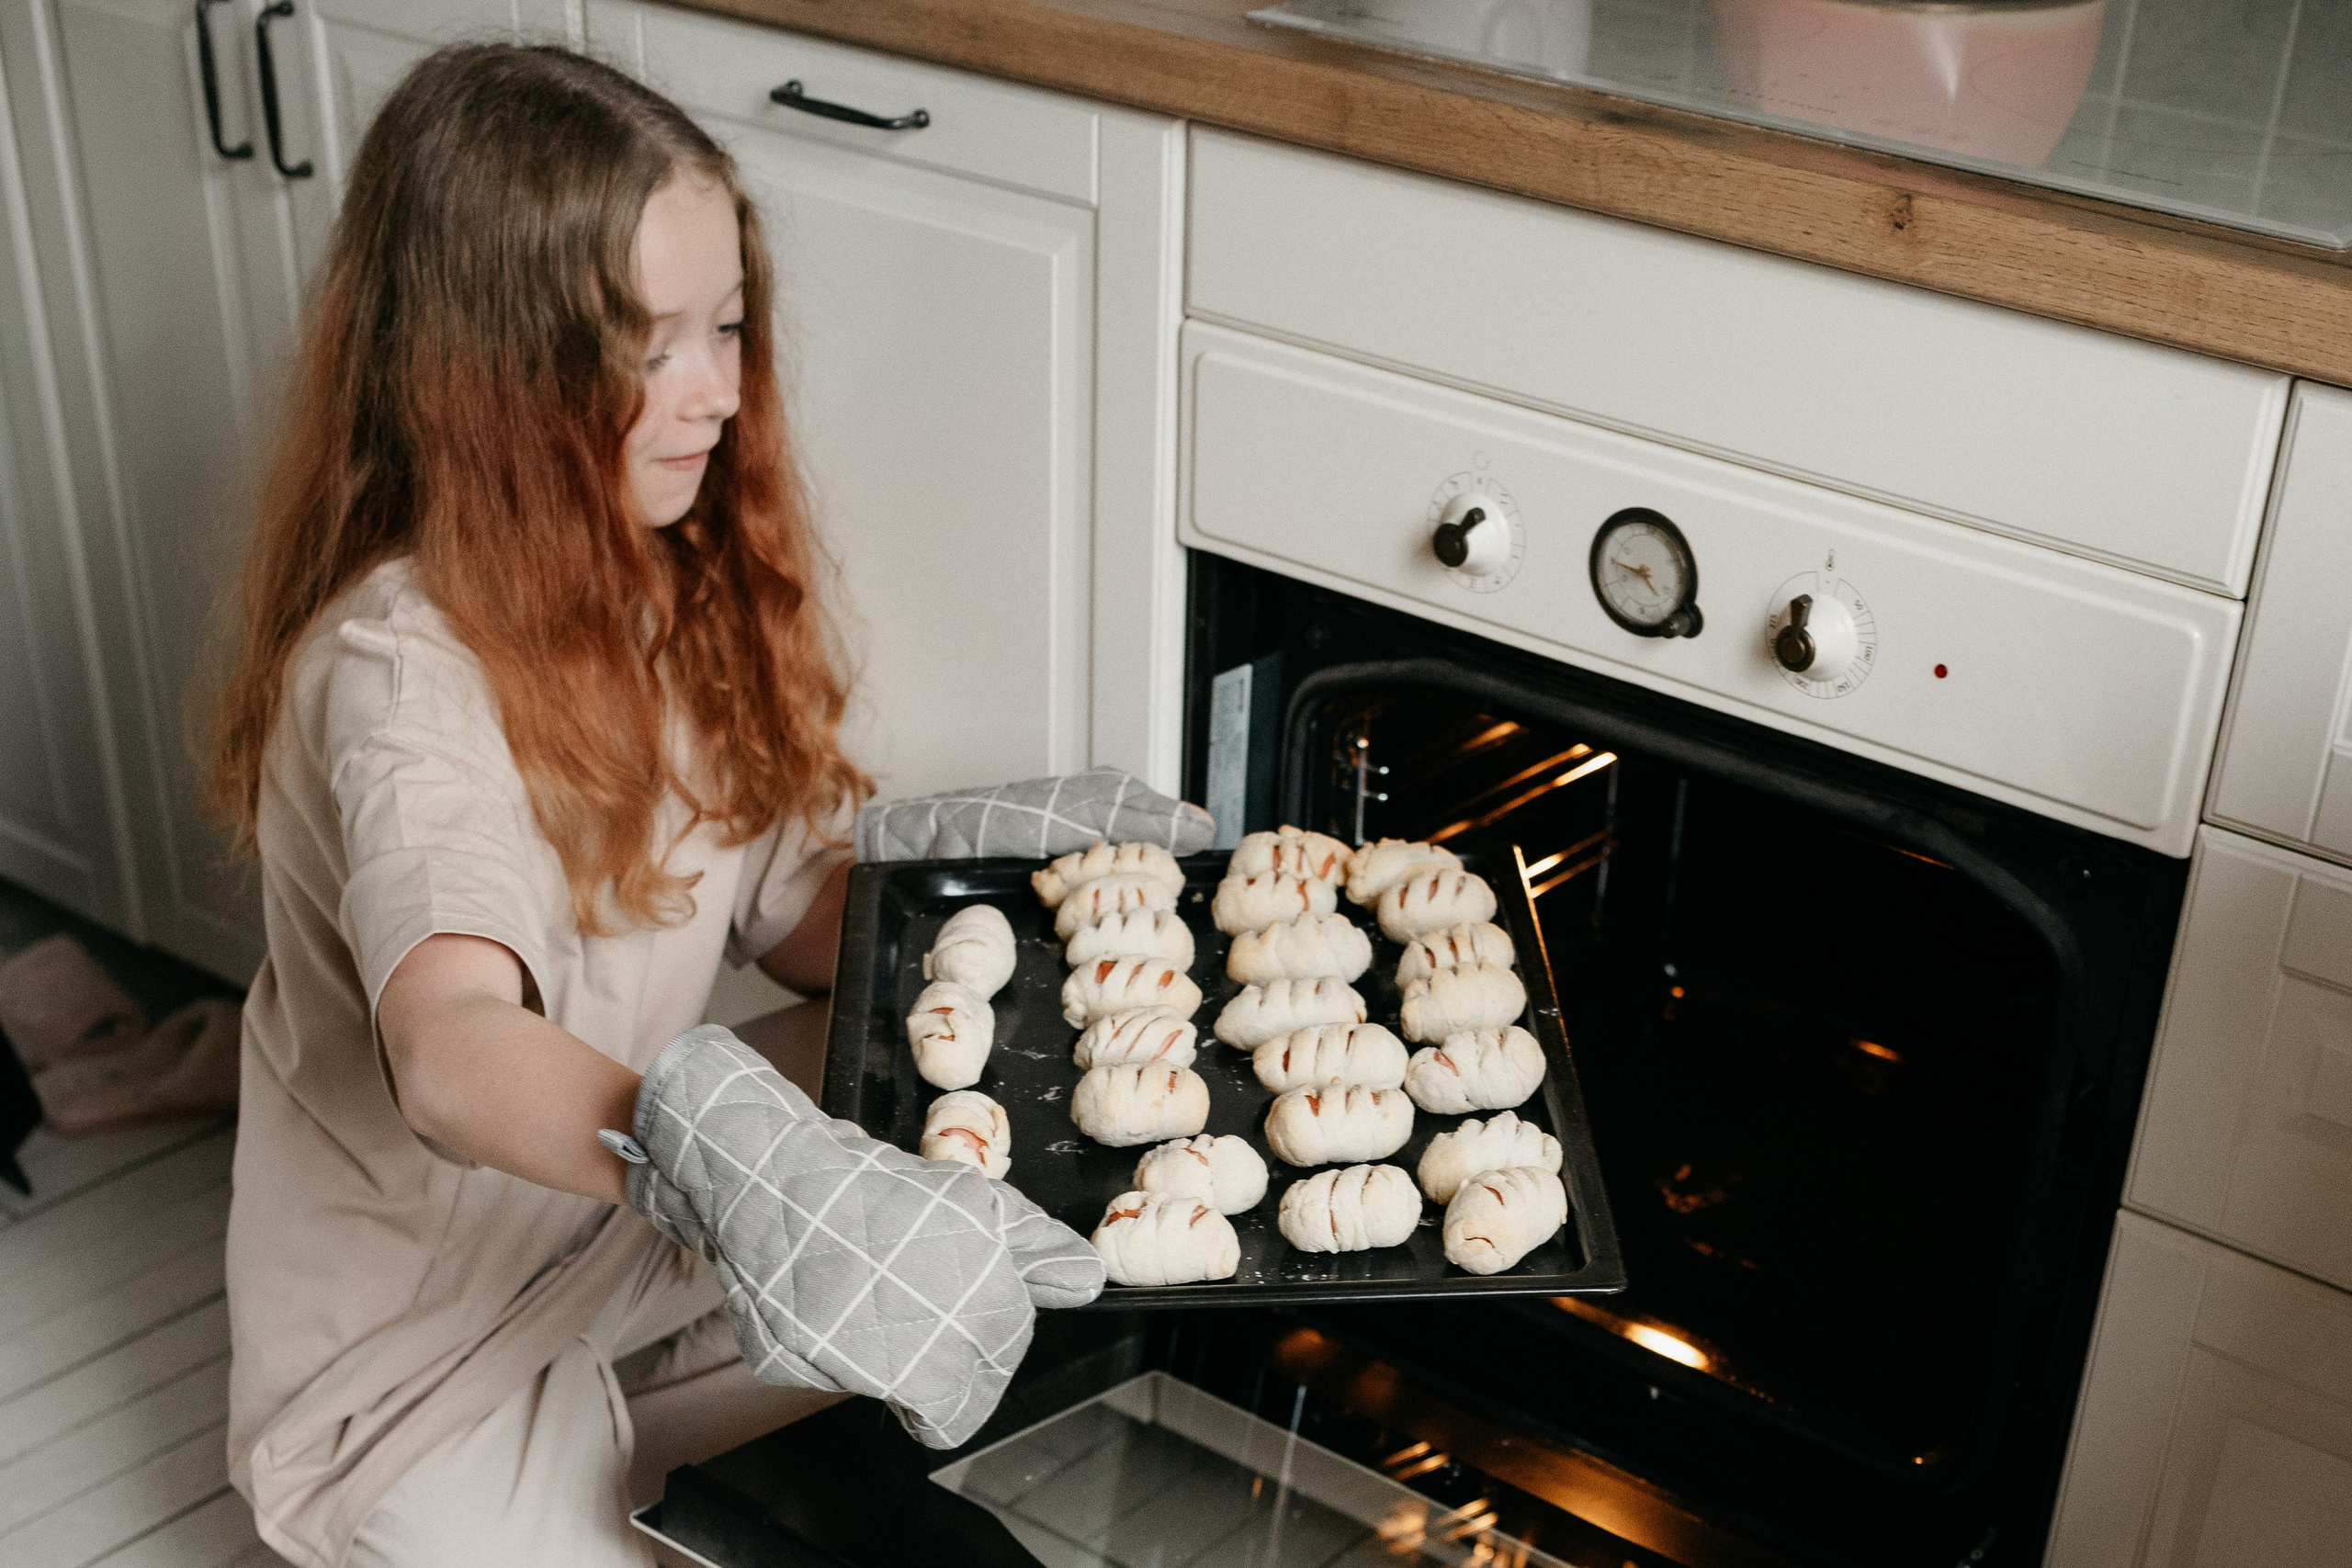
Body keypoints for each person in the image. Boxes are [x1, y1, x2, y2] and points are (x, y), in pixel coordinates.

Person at [202, 44, 1100, 1568]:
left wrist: (990, 888)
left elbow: (792, 924)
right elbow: (450, 1050)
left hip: (624, 1253)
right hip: (410, 1375)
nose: (719, 394)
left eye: (730, 328)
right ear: (490, 372)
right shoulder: (400, 671)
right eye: (652, 348)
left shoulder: (670, 583)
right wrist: (738, 1171)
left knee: (943, 1056)